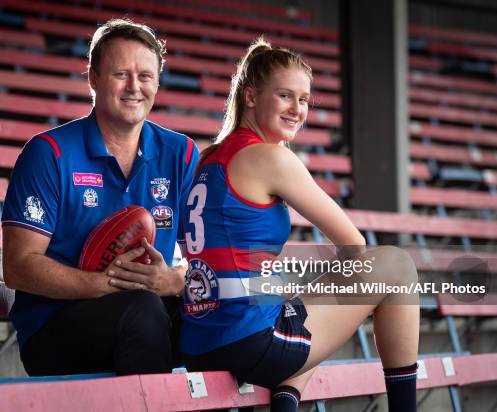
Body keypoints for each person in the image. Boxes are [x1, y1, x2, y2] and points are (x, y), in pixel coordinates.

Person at [180, 38, 420, 412]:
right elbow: (353, 245)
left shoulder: (206, 157)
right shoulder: (270, 157)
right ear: (250, 97)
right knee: (397, 267)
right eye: (285, 96)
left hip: (197, 341)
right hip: (251, 342)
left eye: (304, 99)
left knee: (299, 306)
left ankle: (287, 400)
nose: (297, 109)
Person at [1, 19, 199, 376]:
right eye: (121, 74)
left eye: (146, 76)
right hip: (56, 327)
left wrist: (174, 279)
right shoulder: (49, 153)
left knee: (234, 309)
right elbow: (18, 266)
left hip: (147, 311)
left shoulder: (181, 153)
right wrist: (110, 285)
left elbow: (209, 256)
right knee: (142, 309)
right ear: (92, 77)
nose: (134, 87)